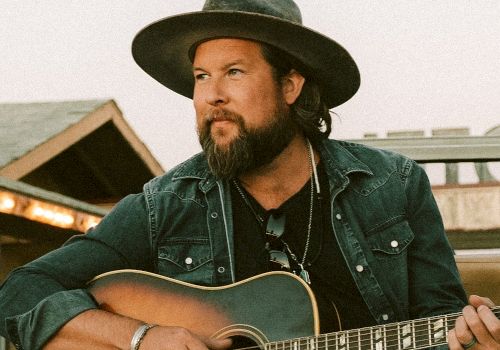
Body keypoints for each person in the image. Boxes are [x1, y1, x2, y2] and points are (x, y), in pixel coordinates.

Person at [1, 1, 499, 349]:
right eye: (201, 77)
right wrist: (140, 337)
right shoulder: (166, 204)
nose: (210, 95)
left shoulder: (393, 186)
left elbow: (443, 326)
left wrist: (474, 343)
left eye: (234, 72)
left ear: (289, 85)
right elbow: (20, 292)